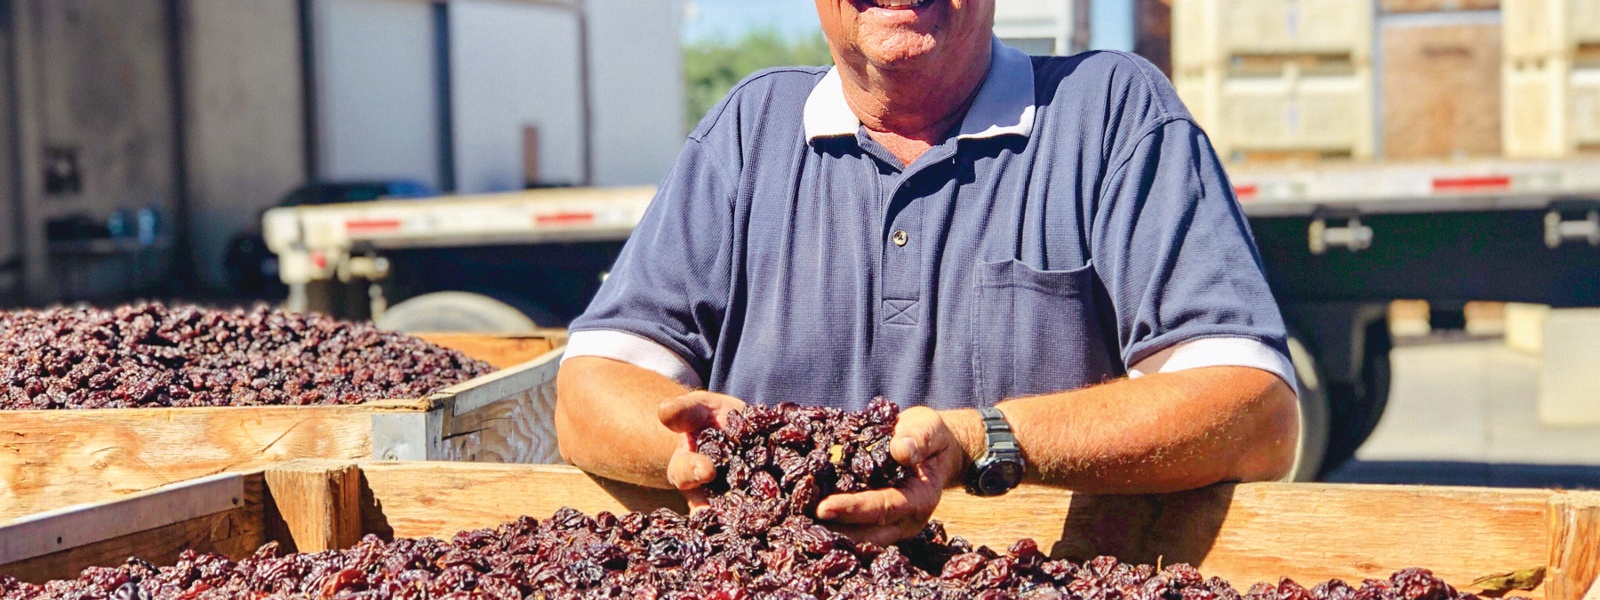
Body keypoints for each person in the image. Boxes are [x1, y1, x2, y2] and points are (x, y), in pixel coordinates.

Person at [555, 0, 1300, 546]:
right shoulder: (749, 132)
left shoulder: (1110, 114)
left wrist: (982, 444)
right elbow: (588, 392)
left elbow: (1255, 413)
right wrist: (720, 458)